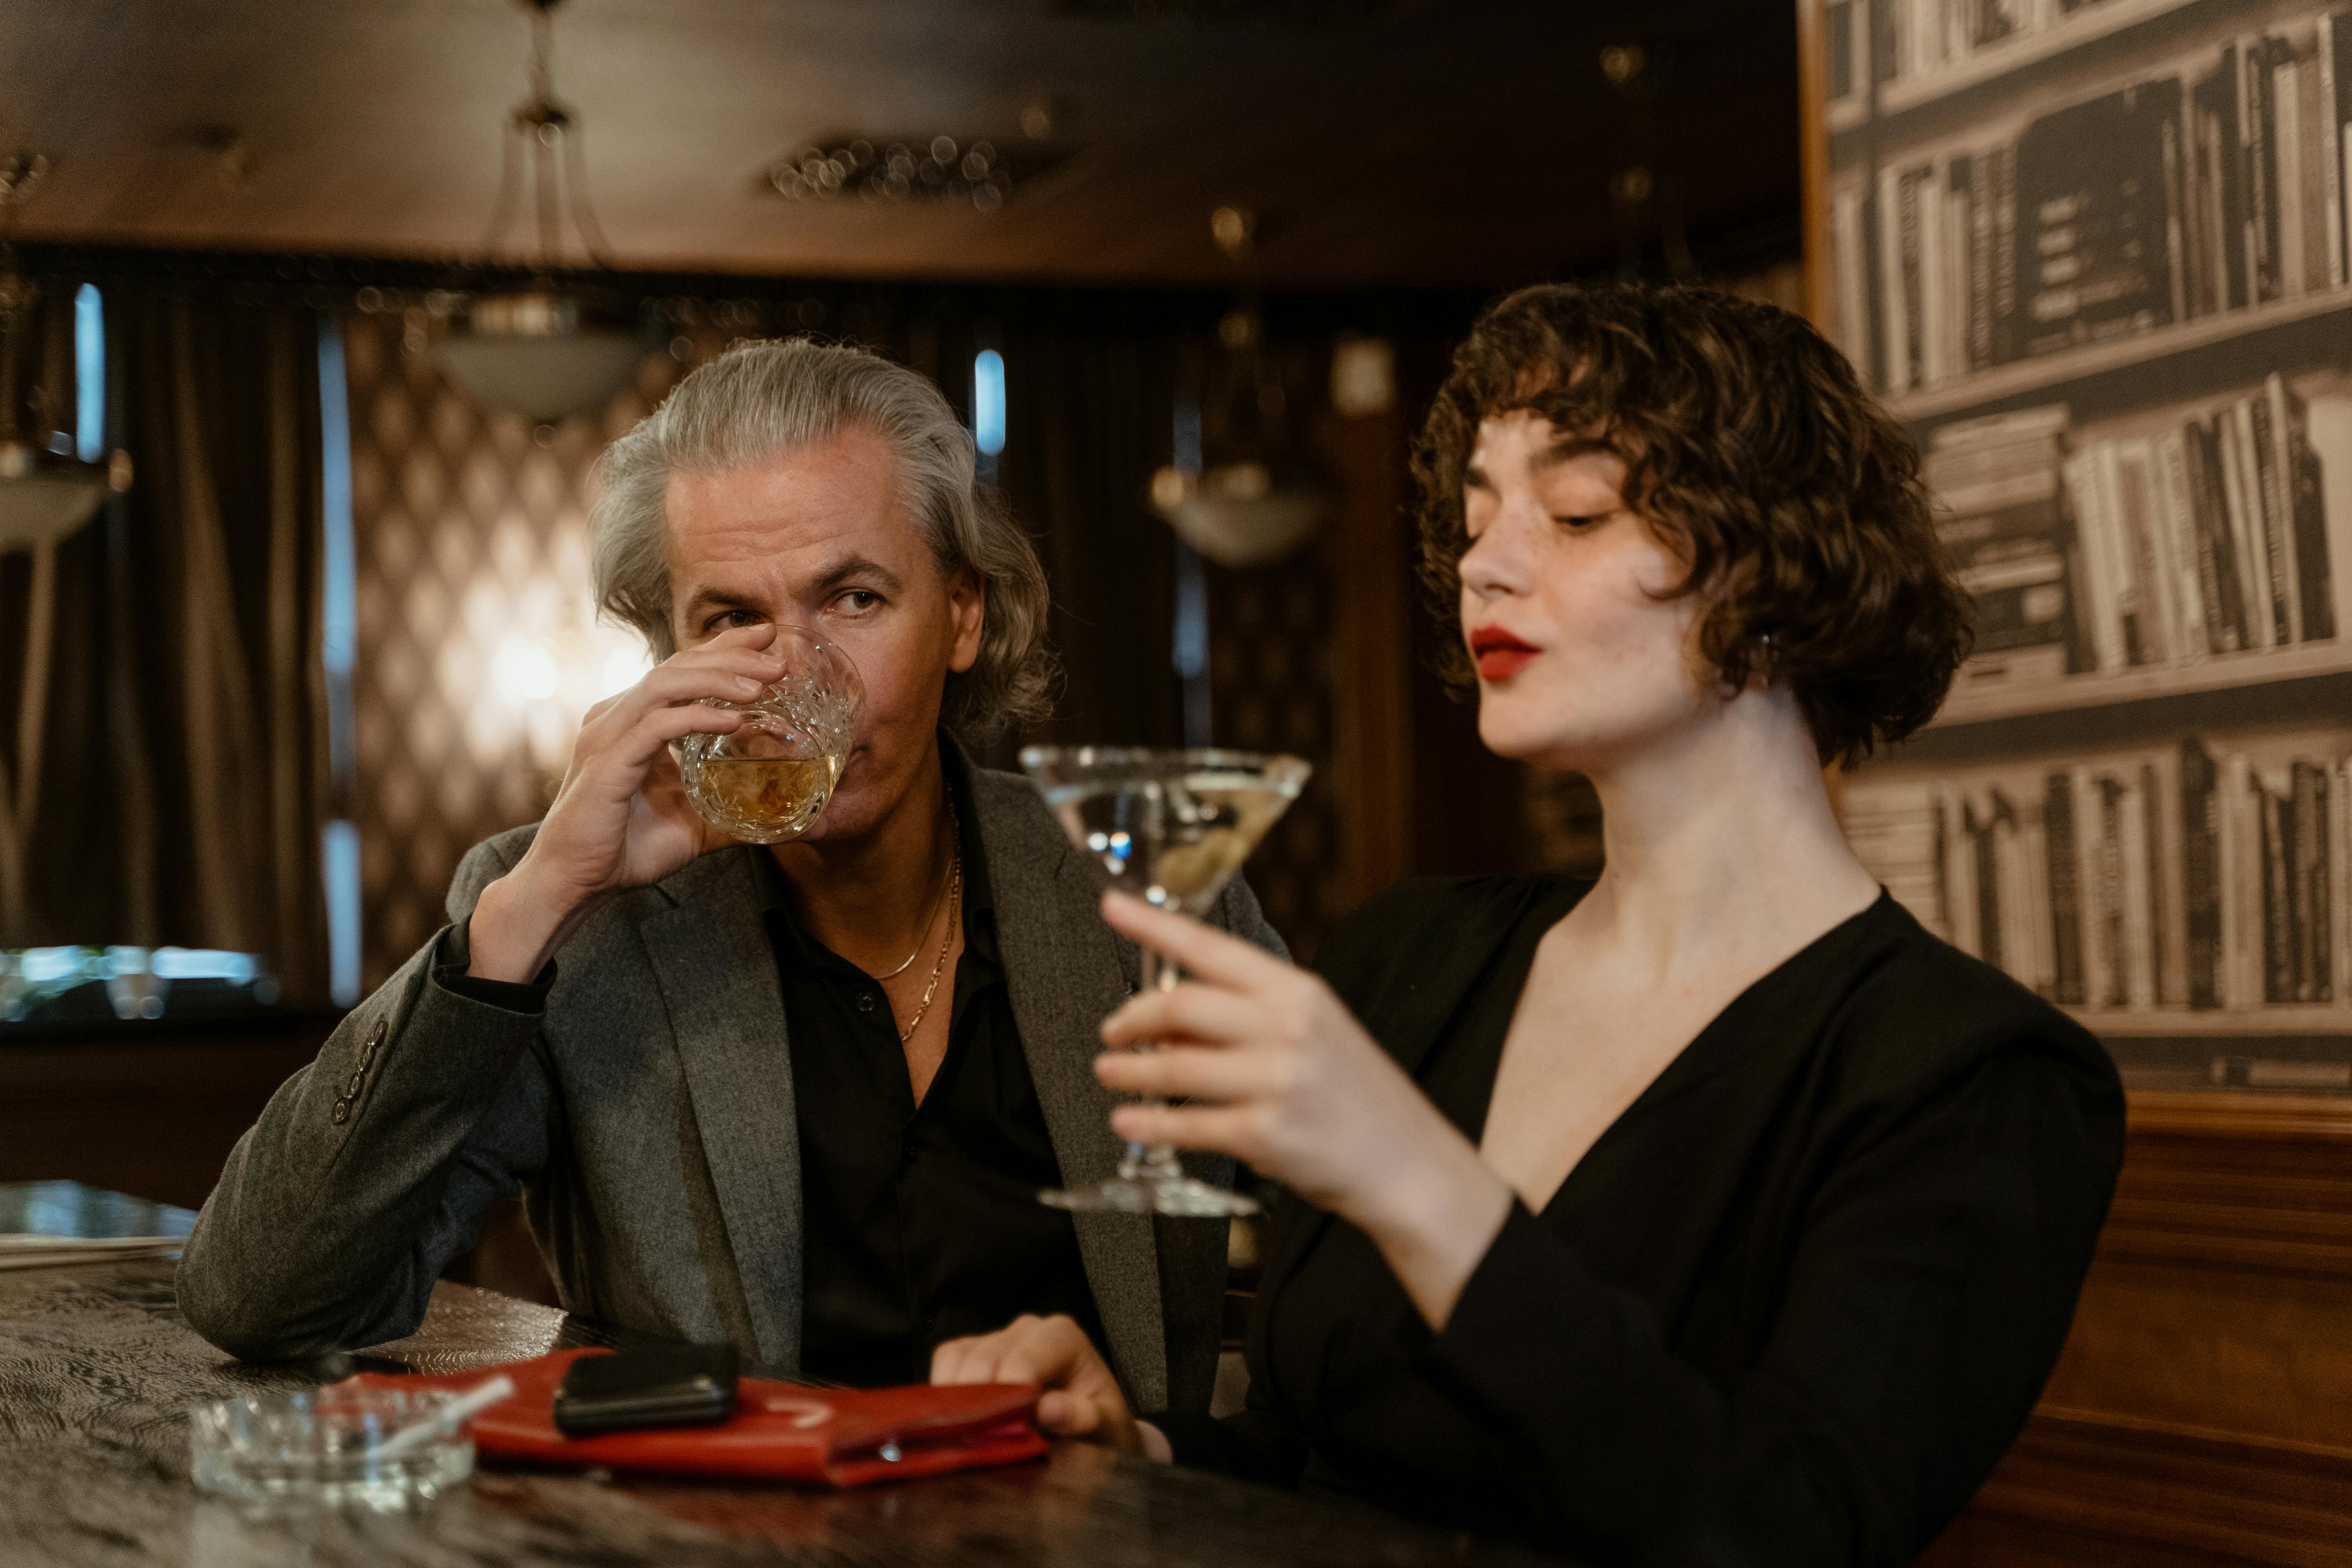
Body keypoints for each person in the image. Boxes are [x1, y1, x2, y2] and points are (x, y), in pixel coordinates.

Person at [931, 283, 2127, 1564]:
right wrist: (1139, 1443)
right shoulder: (1420, 953)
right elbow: (1311, 1450)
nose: (1484, 563)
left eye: (1575, 511)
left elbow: (1788, 1528)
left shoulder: (1972, 1077)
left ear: (1783, 575)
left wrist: (1416, 1181)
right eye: (1475, 514)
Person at [178, 339, 1280, 1415]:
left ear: (962, 613)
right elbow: (263, 1299)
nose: (793, 674)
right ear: (671, 656)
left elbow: (1368, 1279)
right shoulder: (573, 924)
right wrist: (528, 912)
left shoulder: (1143, 895)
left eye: (852, 599)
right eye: (734, 618)